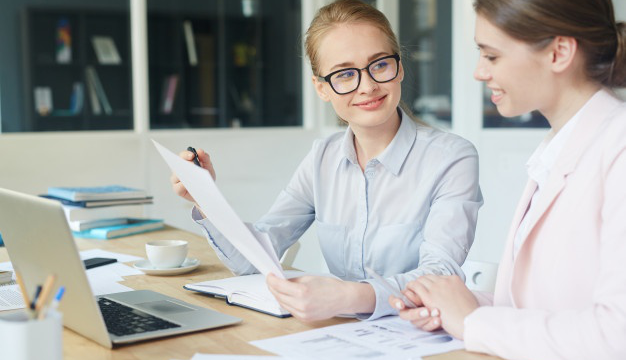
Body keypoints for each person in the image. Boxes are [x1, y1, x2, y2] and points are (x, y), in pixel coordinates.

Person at [171, 0, 482, 322]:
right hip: (338, 332)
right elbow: (253, 259)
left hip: (414, 335)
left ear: (399, 67)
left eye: (379, 65)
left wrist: (347, 296)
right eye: (345, 74)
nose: (368, 85)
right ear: (321, 88)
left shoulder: (451, 157)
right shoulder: (322, 157)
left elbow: (440, 274)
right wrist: (205, 197)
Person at [390, 0, 626, 359]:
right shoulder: (559, 150)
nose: (479, 73)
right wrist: (454, 307)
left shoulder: (618, 146)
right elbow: (542, 303)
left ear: (559, 53)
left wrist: (472, 322)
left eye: (492, 56)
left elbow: (615, 335)